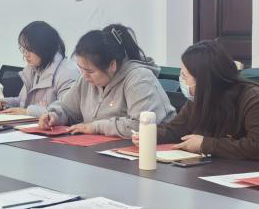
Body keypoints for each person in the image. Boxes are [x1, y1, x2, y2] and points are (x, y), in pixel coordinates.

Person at [39, 24, 172, 138]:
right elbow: (66, 108)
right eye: (81, 69)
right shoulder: (85, 80)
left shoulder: (139, 78)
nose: (84, 75)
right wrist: (54, 116)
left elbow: (142, 125)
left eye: (90, 71)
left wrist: (96, 127)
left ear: (112, 65)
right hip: (100, 149)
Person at [148, 40, 259, 159]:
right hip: (211, 166)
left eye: (184, 76)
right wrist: (148, 134)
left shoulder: (252, 97)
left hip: (244, 169)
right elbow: (176, 129)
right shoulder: (199, 97)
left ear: (203, 79)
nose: (182, 81)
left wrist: (205, 144)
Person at [7, 21, 80, 117]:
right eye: (23, 49)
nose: (25, 55)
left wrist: (28, 112)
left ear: (44, 47)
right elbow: (22, 101)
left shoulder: (68, 73)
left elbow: (66, 111)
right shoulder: (33, 68)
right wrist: (6, 103)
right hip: (29, 124)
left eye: (30, 50)